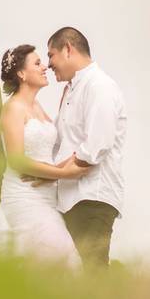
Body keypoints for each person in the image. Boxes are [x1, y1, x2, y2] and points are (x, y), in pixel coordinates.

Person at [41, 27, 127, 268]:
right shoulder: (71, 89)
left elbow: (97, 145)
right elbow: (60, 140)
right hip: (69, 198)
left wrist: (52, 174)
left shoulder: (99, 86)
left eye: (51, 55)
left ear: (68, 49)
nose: (49, 64)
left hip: (92, 198)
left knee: (93, 272)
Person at [0, 44, 87, 269]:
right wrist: (62, 174)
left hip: (48, 197)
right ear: (21, 74)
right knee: (58, 252)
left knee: (50, 260)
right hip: (24, 194)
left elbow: (49, 153)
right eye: (37, 63)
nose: (44, 66)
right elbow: (16, 160)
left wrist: (71, 163)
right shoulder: (13, 109)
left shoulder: (37, 106)